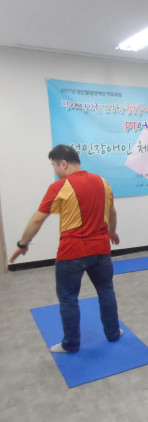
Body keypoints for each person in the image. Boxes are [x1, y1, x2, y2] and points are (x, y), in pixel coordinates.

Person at [10, 145, 123, 353]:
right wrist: (112, 232)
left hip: (72, 253)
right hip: (101, 249)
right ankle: (114, 333)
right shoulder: (103, 182)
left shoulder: (59, 187)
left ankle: (71, 344)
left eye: (54, 166)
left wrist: (23, 244)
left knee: (68, 298)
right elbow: (112, 213)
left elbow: (37, 220)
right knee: (106, 290)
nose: (54, 170)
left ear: (63, 164)